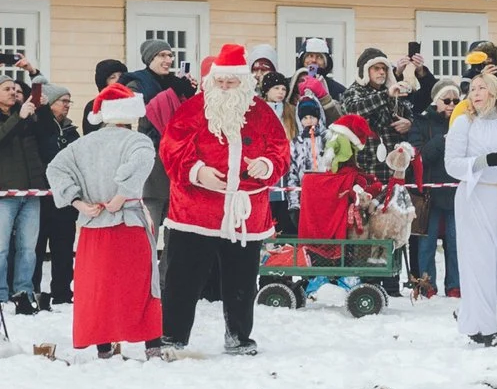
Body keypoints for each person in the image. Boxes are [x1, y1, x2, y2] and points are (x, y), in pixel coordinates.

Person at [156, 44, 288, 355]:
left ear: (244, 82)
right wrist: (197, 171)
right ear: (211, 81)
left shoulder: (262, 113)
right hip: (195, 211)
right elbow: (171, 147)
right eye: (221, 82)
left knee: (241, 280)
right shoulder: (192, 109)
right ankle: (173, 335)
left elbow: (280, 150)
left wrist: (267, 164)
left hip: (244, 212)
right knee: (183, 279)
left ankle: (238, 336)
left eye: (232, 82)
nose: (226, 88)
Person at [42, 87, 161, 360]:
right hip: (128, 222)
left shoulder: (83, 144)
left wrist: (78, 203)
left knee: (99, 289)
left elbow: (54, 169)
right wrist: (121, 196)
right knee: (141, 286)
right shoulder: (137, 141)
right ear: (130, 113)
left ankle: (104, 348)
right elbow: (142, 163)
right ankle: (152, 346)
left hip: (93, 225)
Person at [445, 70, 497, 347]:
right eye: (473, 89)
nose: (476, 93)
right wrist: (483, 161)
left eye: (482, 88)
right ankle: (487, 331)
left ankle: (470, 312)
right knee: (480, 264)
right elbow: (452, 164)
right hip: (475, 196)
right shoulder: (464, 124)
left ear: (494, 92)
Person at [0, 74, 57, 314]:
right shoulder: (16, 117)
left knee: (28, 247)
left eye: (15, 88)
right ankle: (1, 293)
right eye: (6, 88)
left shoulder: (26, 115)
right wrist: (17, 117)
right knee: (1, 247)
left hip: (32, 190)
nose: (13, 92)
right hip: (4, 193)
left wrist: (41, 109)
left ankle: (23, 291)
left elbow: (47, 134)